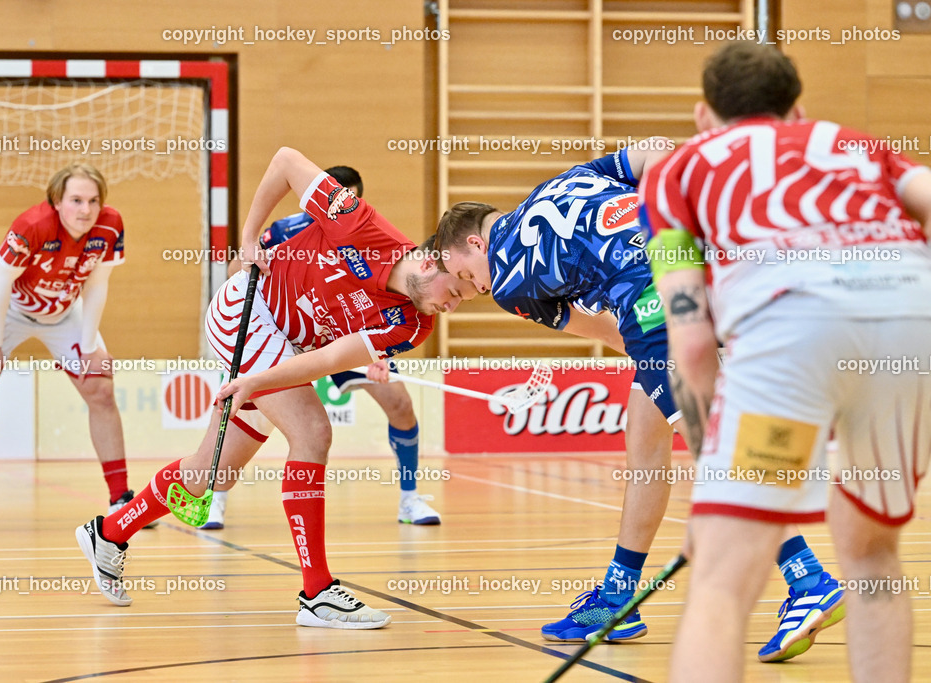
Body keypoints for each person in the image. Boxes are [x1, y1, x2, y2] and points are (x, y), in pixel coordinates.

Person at [434, 144, 843, 659]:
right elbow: (658, 155)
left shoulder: (511, 282)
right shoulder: (566, 179)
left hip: (654, 302)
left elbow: (605, 332)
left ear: (475, 242)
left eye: (469, 275)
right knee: (646, 437)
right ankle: (619, 595)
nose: (476, 286)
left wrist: (663, 350)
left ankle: (807, 579)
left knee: (712, 448)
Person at [76, 147, 475, 629]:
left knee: (212, 474)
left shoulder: (413, 325)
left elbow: (328, 360)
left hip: (285, 352)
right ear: (434, 262)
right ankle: (318, 592)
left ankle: (110, 532)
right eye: (454, 292)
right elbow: (286, 161)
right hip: (250, 311)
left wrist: (255, 382)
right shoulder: (360, 223)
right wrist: (248, 239)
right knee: (312, 431)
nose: (450, 306)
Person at [639, 42, 931, 682]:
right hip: (911, 320)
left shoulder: (675, 171)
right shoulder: (855, 144)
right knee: (874, 556)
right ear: (798, 110)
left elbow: (689, 343)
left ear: (703, 116)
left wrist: (714, 478)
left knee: (721, 577)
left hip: (788, 327)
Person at [200, 165, 440, 531]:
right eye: (339, 195)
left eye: (354, 197)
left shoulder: (361, 233)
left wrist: (382, 355)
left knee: (400, 404)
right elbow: (239, 267)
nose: (346, 203)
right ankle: (215, 497)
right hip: (285, 331)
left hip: (346, 340)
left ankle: (409, 497)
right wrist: (252, 253)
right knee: (252, 414)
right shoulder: (285, 229)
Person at [0, 163, 147, 532]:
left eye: (93, 201)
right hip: (7, 304)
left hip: (63, 308)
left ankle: (121, 499)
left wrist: (89, 346)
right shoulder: (32, 225)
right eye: (76, 200)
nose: (86, 210)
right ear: (58, 201)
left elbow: (97, 284)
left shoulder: (110, 225)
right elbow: (0, 281)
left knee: (101, 390)